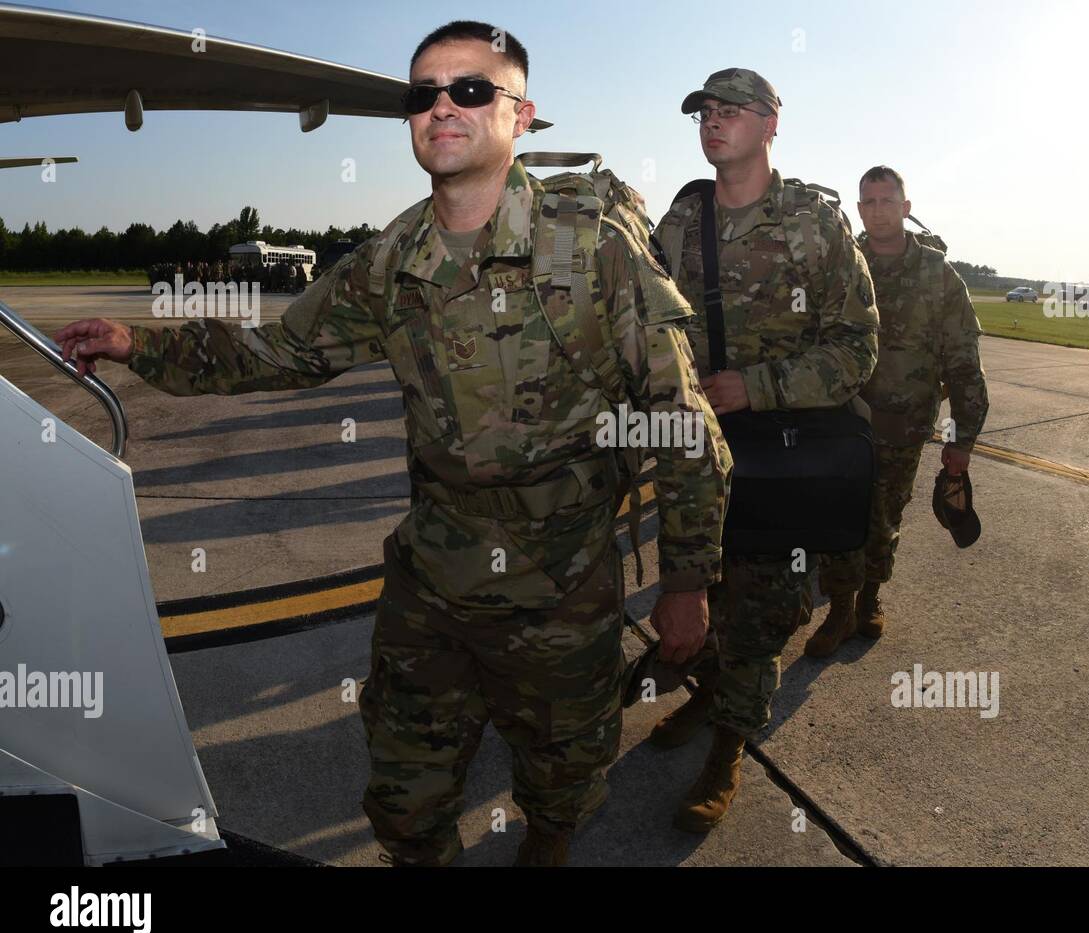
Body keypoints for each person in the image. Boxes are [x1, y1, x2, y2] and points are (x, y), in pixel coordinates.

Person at [52, 20, 730, 867]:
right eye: (423, 95)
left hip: (562, 589)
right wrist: (138, 344)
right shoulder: (392, 258)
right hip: (432, 585)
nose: (442, 108)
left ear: (521, 118)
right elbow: (286, 351)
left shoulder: (591, 248)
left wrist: (687, 583)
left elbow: (681, 420)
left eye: (472, 90)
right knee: (405, 802)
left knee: (561, 788)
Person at [648, 68, 878, 831]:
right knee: (702, 587)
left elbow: (857, 348)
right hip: (699, 454)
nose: (713, 123)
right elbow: (648, 331)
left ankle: (726, 753)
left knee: (764, 611)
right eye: (704, 113)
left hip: (786, 451)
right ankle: (709, 693)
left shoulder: (813, 223)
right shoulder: (682, 223)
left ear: (771, 123)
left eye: (732, 111)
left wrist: (759, 385)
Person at [807, 165, 989, 657]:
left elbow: (963, 360)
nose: (878, 210)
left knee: (884, 516)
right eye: (869, 201)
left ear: (906, 208)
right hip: (841, 420)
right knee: (837, 513)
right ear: (859, 209)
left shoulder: (936, 273)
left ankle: (869, 599)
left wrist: (963, 441)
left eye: (888, 200)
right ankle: (840, 608)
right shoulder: (843, 264)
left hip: (903, 425)